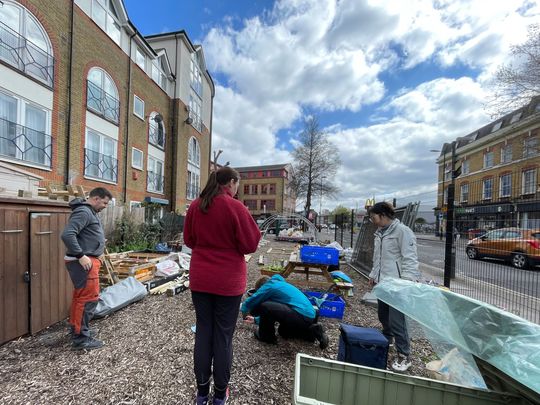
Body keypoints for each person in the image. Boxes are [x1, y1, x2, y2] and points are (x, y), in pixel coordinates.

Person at [184, 167, 261, 405]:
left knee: (204, 333)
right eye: (237, 185)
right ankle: (219, 395)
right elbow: (250, 244)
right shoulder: (235, 207)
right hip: (228, 281)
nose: (237, 189)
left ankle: (201, 393)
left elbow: (189, 240)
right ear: (231, 183)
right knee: (223, 337)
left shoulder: (196, 206)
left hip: (201, 279)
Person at [368, 201, 421, 372]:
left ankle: (404, 355)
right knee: (383, 315)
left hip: (398, 284)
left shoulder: (403, 232)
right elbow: (379, 258)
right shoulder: (380, 233)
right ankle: (388, 339)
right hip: (384, 282)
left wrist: (405, 282)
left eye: (373, 217)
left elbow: (410, 259)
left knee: (397, 321)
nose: (372, 220)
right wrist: (373, 275)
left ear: (382, 215)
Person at [61, 187, 112, 350]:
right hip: (84, 262)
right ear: (96, 198)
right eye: (104, 202)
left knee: (80, 298)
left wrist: (98, 250)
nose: (105, 206)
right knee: (88, 299)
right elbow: (67, 234)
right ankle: (81, 338)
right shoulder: (84, 211)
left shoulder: (90, 212)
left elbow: (86, 235)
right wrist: (81, 255)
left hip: (90, 259)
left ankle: (78, 329)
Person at [240, 275, 329, 349]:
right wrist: (256, 320)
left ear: (262, 287)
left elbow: (254, 299)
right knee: (283, 332)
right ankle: (313, 331)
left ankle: (266, 336)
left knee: (265, 306)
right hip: (308, 316)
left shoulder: (270, 286)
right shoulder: (281, 285)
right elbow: (276, 310)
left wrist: (243, 309)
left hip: (300, 314)